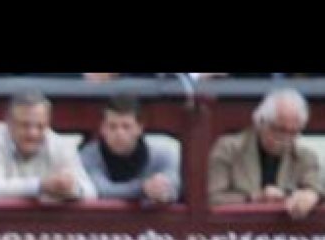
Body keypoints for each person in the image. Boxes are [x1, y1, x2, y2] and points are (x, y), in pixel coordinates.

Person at [207, 88, 323, 219]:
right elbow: (211, 198)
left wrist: (311, 195)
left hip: (286, 233)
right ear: (260, 122)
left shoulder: (306, 157)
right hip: (235, 229)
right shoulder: (229, 149)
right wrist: (255, 198)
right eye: (280, 130)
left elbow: (316, 188)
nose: (286, 139)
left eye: (293, 132)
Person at [0, 91, 98, 203]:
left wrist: (70, 189)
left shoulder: (59, 144)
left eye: (40, 126)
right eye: (25, 125)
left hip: (47, 226)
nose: (33, 133)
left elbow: (91, 193)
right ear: (9, 123)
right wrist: (40, 186)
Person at [78, 95, 180, 204]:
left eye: (126, 126)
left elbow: (177, 187)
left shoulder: (165, 153)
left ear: (139, 128)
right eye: (112, 126)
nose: (119, 134)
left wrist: (163, 191)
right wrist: (143, 188)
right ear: (102, 128)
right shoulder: (88, 155)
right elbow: (101, 190)